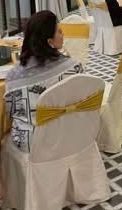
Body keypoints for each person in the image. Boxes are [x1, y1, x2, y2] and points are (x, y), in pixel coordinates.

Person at [5, 11, 84, 153]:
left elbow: (11, 113)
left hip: (32, 143)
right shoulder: (74, 67)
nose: (63, 35)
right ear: (50, 42)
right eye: (59, 32)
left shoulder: (13, 77)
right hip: (70, 135)